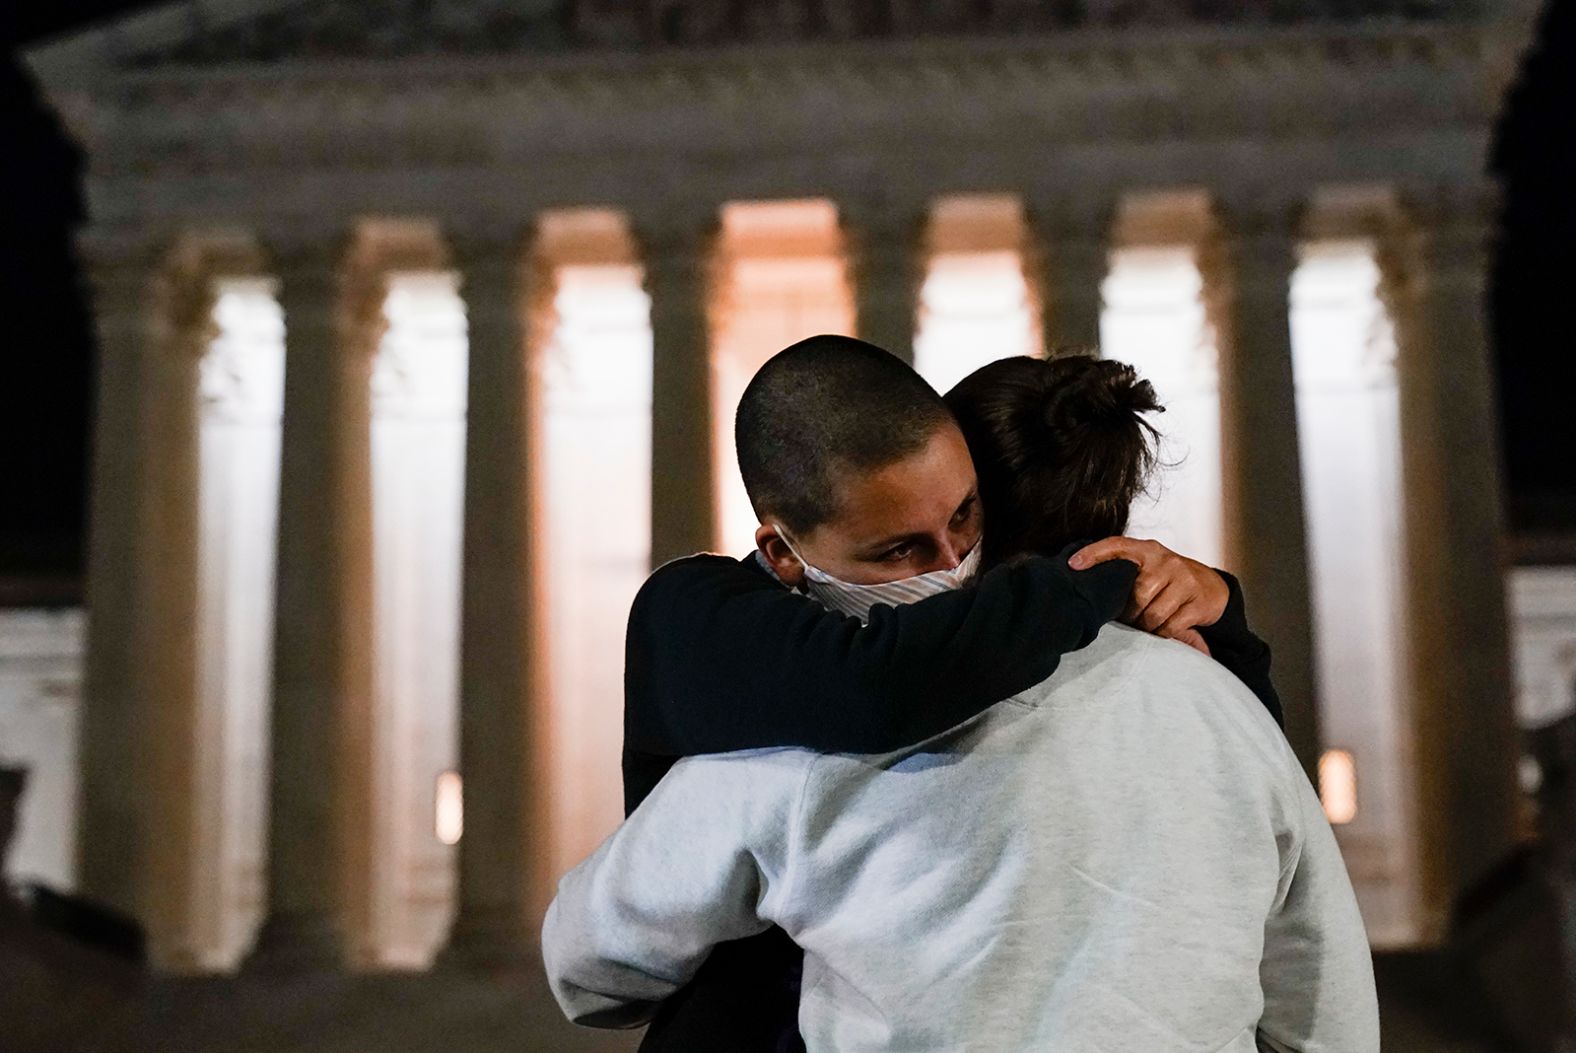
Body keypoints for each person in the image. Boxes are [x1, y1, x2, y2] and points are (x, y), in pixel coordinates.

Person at [545, 339, 1371, 1049]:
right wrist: (1111, 582)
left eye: (966, 518)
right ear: (783, 549)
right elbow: (1323, 1007)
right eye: (902, 547)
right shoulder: (751, 654)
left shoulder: (782, 760)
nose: (948, 567)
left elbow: (590, 963)